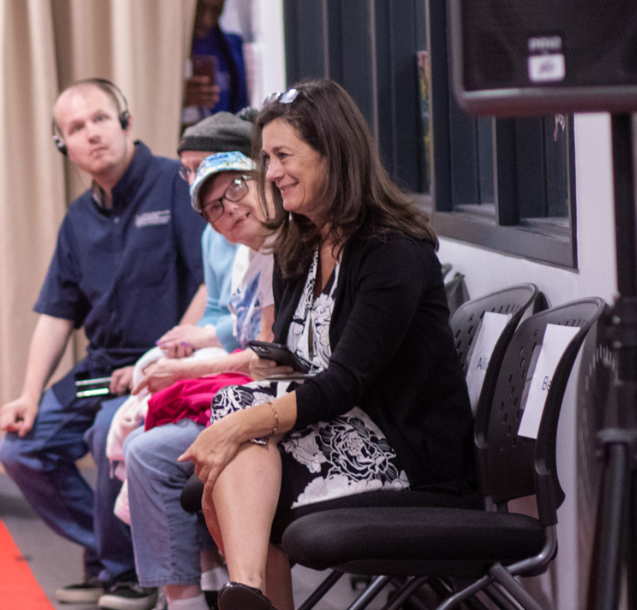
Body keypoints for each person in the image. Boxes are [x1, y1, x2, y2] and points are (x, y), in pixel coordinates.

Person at [180, 79, 476, 610]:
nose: (270, 172)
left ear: (333, 153)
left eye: (282, 156)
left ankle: (245, 593)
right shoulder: (302, 246)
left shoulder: (393, 251)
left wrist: (236, 428)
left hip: (407, 455)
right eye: (266, 157)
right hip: (337, 428)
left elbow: (344, 383)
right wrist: (240, 408)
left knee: (242, 436)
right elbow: (295, 359)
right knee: (238, 415)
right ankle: (246, 593)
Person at [0, 78, 208, 607]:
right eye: (74, 128)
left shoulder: (173, 186)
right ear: (62, 146)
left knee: (101, 431)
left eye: (99, 119)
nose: (90, 134)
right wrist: (27, 393)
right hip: (101, 372)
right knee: (21, 447)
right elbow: (55, 315)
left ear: (126, 123)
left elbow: (211, 283)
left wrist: (162, 361)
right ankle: (128, 550)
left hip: (165, 368)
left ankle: (124, 571)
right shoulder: (77, 219)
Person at [117, 151, 276, 610]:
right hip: (256, 392)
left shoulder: (282, 253)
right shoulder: (255, 259)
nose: (229, 209)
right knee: (134, 427)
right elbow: (260, 351)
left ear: (263, 180)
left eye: (236, 190)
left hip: (281, 407)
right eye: (214, 208)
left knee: (147, 452)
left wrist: (186, 369)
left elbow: (271, 359)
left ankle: (189, 597)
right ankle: (199, 583)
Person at [163, 111, 257, 362]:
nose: (194, 180)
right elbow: (214, 307)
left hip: (248, 347)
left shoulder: (258, 234)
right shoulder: (211, 234)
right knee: (150, 367)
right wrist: (189, 338)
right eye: (187, 170)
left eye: (201, 167)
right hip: (222, 341)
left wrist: (204, 337)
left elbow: (257, 319)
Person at [182, 0, 250, 125]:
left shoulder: (233, 47)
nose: (206, 20)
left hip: (226, 136)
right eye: (200, 8)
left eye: (216, 10)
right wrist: (180, 98)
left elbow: (241, 108)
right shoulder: (172, 52)